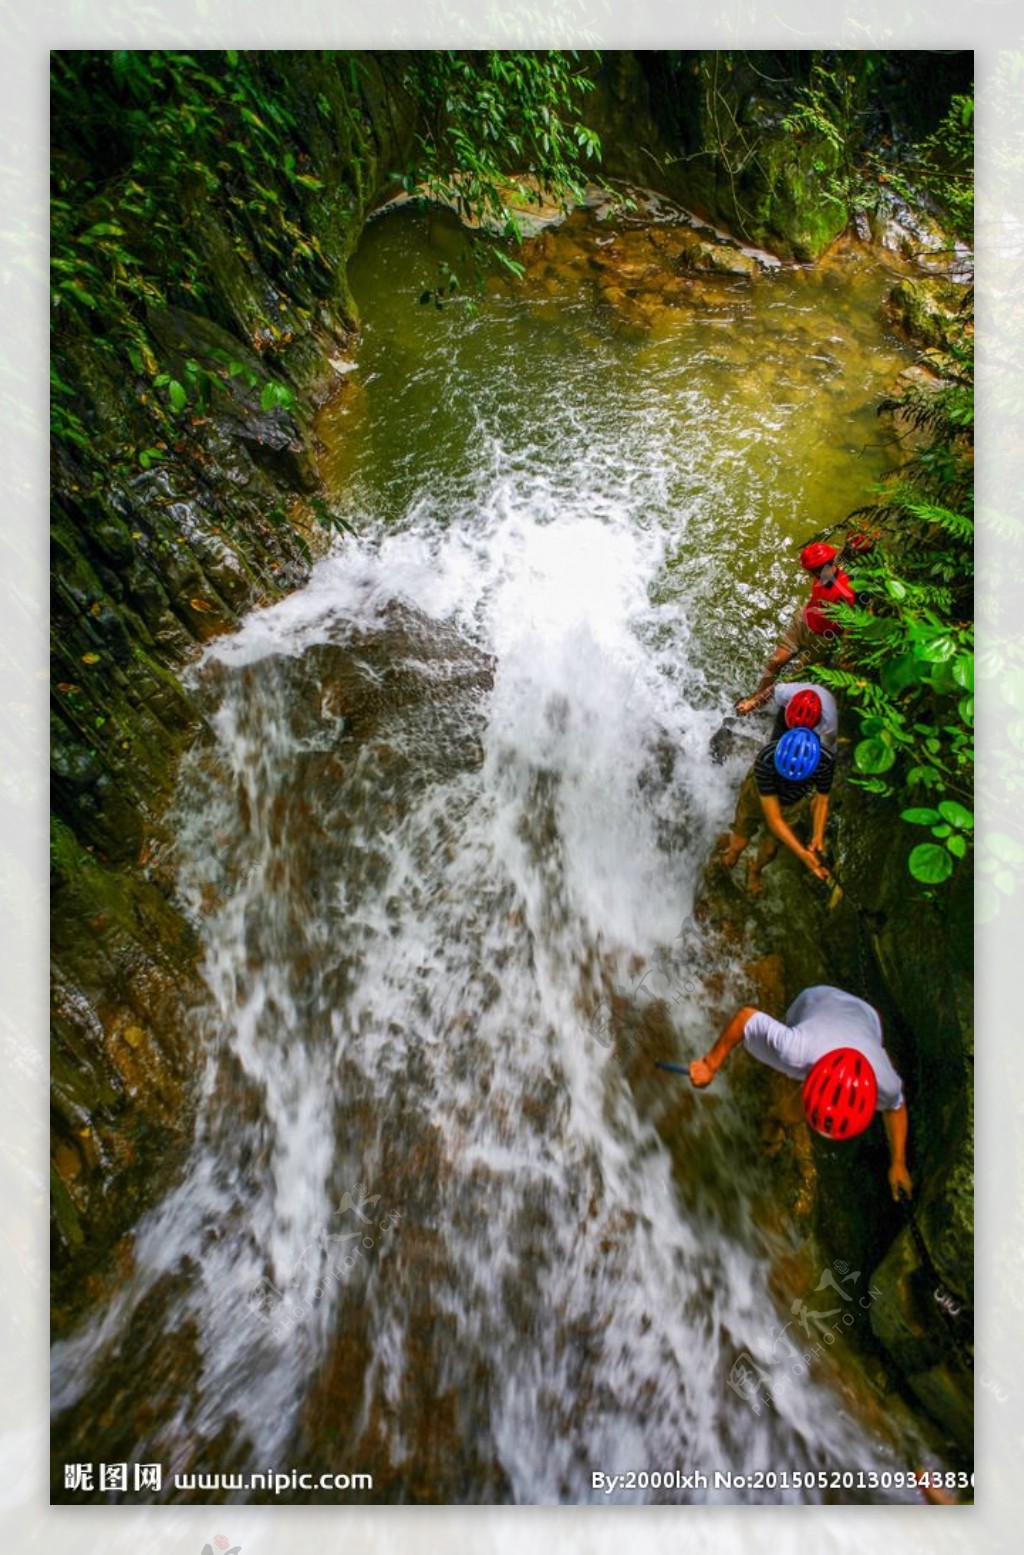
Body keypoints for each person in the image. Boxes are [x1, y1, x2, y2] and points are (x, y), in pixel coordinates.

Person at [687, 984, 912, 1200]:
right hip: (814, 1000)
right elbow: (746, 1018)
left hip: (867, 1017)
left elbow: (896, 1107)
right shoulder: (793, 1050)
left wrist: (899, 1162)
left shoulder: (885, 1083)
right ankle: (776, 1117)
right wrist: (710, 1064)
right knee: (787, 1079)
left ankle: (777, 1117)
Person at [737, 542, 856, 708]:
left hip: (823, 638)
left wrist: (845, 654)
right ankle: (758, 696)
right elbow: (848, 554)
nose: (808, 574)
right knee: (775, 662)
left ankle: (755, 704)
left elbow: (848, 625)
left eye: (810, 571)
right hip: (804, 620)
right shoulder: (828, 570)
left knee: (792, 676)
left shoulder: (845, 592)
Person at [718, 725, 834, 893]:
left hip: (793, 802)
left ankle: (755, 870)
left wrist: (817, 835)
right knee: (741, 837)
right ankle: (732, 853)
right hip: (758, 794)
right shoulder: (766, 758)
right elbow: (774, 819)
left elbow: (822, 801)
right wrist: (802, 853)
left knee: (771, 850)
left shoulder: (825, 763)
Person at [734, 679, 839, 750]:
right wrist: (752, 704)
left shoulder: (829, 727)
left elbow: (827, 751)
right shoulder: (787, 692)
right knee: (776, 743)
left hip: (818, 716)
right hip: (795, 704)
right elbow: (773, 689)